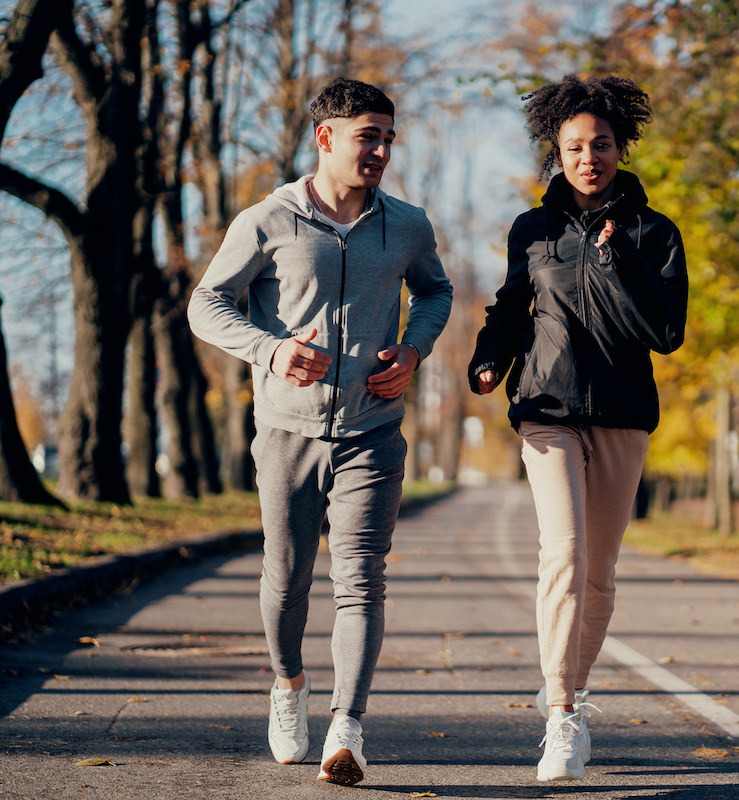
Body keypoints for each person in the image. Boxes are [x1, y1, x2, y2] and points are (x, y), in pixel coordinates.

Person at [188, 77, 452, 786]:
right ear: (326, 138)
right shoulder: (267, 221)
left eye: (389, 138)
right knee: (288, 575)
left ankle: (347, 727)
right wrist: (270, 350)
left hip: (372, 428)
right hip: (286, 430)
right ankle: (289, 685)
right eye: (369, 135)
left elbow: (435, 290)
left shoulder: (408, 225)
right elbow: (206, 305)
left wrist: (415, 348)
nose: (382, 151)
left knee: (361, 579)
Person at [468, 73, 687, 782]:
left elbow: (665, 330)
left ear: (622, 148)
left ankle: (576, 693)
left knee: (600, 575)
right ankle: (560, 716)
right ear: (555, 153)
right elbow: (510, 306)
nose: (587, 157)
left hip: (622, 413)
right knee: (563, 554)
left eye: (600, 144)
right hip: (548, 409)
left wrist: (621, 254)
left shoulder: (656, 233)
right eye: (573, 146)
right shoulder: (533, 230)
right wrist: (489, 356)